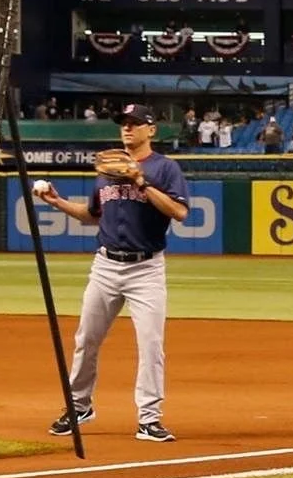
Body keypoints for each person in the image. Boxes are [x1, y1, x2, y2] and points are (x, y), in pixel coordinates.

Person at [36, 105, 189, 444]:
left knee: (151, 345)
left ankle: (149, 419)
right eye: (124, 124)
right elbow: (92, 214)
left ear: (152, 130)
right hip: (105, 266)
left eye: (135, 124)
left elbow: (179, 211)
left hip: (146, 269)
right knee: (86, 339)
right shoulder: (108, 167)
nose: (127, 128)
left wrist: (140, 181)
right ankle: (79, 406)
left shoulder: (165, 168)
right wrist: (57, 202)